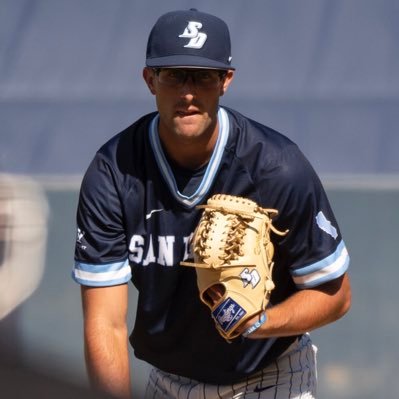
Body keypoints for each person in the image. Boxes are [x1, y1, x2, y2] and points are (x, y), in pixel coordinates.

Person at [73, 8, 351, 399]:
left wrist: (259, 322)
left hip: (270, 376)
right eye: (174, 75)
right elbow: (106, 323)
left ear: (226, 81)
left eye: (203, 77)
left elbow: (336, 294)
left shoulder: (276, 168)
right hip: (166, 381)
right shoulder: (114, 173)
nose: (188, 93)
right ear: (150, 80)